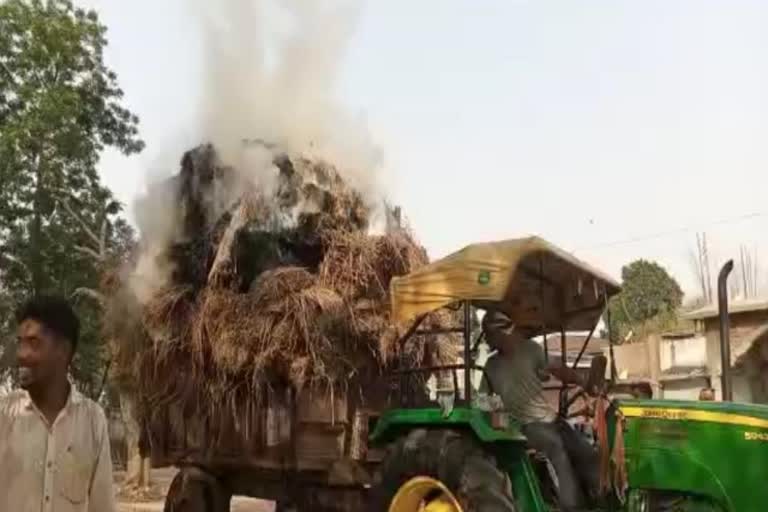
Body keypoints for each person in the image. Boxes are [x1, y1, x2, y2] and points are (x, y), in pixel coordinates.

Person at [0, 295, 116, 512]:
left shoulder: (92, 420)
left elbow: (102, 506)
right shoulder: (4, 416)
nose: (21, 354)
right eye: (20, 342)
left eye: (33, 343)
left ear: (63, 350)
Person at [480, 309, 599, 512]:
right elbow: (482, 400)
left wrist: (583, 381)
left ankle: (598, 498)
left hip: (549, 419)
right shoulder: (491, 366)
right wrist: (498, 412)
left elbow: (557, 368)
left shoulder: (531, 350)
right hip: (525, 426)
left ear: (505, 332)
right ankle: (571, 507)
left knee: (585, 450)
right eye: (491, 336)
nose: (493, 340)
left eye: (494, 335)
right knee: (556, 447)